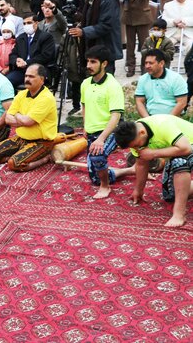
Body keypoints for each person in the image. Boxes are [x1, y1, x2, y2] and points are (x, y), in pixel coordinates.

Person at [115, 115, 193, 227]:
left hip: (189, 145)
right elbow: (141, 164)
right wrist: (138, 190)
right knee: (170, 195)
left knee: (179, 162)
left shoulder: (162, 124)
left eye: (137, 145)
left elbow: (186, 148)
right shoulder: (134, 137)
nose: (136, 148)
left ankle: (179, 214)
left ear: (142, 133)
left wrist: (153, 153)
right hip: (179, 151)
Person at [81, 45, 134, 199]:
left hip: (110, 130)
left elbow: (116, 116)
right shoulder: (85, 84)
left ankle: (106, 187)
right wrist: (86, 126)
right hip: (91, 131)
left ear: (104, 64)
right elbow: (84, 106)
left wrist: (101, 139)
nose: (88, 66)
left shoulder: (113, 86)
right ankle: (129, 171)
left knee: (98, 157)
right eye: (88, 62)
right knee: (95, 178)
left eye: (93, 62)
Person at [0, 64, 58, 172]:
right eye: (26, 76)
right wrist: (23, 119)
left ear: (42, 79)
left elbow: (27, 121)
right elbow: (7, 119)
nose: (27, 79)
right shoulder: (22, 94)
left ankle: (44, 159)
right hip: (21, 138)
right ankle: (20, 155)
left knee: (14, 164)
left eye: (31, 76)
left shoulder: (46, 98)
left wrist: (17, 114)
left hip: (41, 142)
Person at [69, 0, 122, 75]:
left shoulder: (107, 1)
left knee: (105, 80)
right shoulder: (89, 0)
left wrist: (83, 32)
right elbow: (88, 20)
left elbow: (105, 25)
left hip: (105, 47)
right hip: (92, 46)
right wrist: (80, 26)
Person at [119, 0, 154, 77]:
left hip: (142, 18)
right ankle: (130, 66)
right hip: (130, 17)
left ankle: (145, 66)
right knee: (130, 45)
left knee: (145, 44)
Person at [7, 15, 56, 89]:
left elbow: (45, 56)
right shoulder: (20, 38)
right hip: (21, 71)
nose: (26, 25)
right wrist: (17, 61)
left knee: (32, 83)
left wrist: (27, 62)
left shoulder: (46, 37)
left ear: (36, 23)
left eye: (29, 23)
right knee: (7, 82)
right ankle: (14, 100)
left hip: (39, 70)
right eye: (24, 23)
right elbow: (13, 54)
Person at [135, 49, 187, 117]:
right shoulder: (143, 79)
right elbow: (139, 102)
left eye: (151, 63)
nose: (147, 66)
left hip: (173, 118)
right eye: (146, 63)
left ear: (161, 63)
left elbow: (182, 103)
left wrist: (166, 120)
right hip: (151, 117)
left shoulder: (176, 78)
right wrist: (148, 120)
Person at [162, 0, 193, 66]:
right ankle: (165, 68)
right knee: (164, 45)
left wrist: (184, 21)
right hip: (172, 34)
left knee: (191, 45)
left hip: (188, 34)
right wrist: (173, 22)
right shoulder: (168, 5)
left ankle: (190, 69)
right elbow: (163, 21)